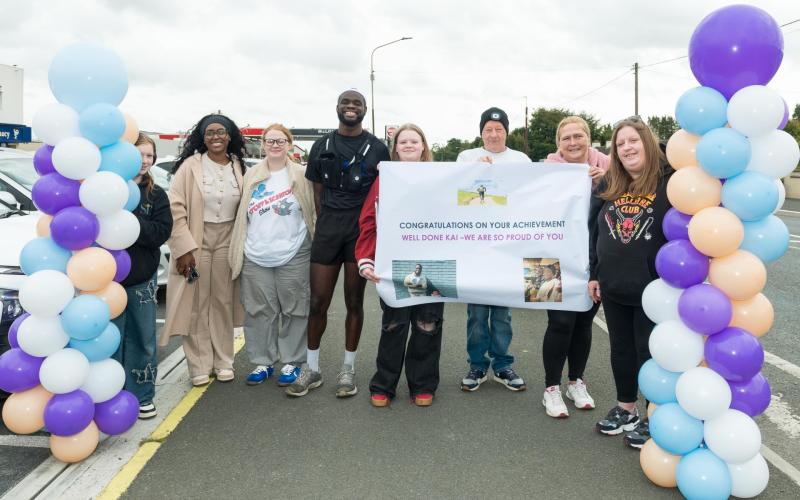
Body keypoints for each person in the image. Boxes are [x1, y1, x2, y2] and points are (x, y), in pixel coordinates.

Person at [287, 90, 390, 397]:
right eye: (345, 103)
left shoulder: (378, 148)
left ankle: (348, 368)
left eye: (356, 104)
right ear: (337, 108)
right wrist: (325, 224)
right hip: (330, 227)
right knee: (318, 302)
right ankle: (312, 368)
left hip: (361, 230)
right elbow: (317, 192)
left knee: (354, 302)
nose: (350, 107)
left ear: (364, 110)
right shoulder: (322, 145)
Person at [588, 117, 673, 449]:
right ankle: (626, 408)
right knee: (620, 349)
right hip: (614, 284)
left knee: (650, 353)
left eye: (633, 140)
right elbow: (595, 231)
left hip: (654, 288)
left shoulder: (671, 180)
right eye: (620, 144)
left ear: (648, 143)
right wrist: (595, 273)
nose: (626, 148)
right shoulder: (611, 182)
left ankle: (656, 415)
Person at [355, 123, 444, 407]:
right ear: (395, 149)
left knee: (427, 325)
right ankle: (383, 384)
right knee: (394, 325)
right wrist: (366, 258)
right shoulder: (385, 179)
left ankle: (423, 384)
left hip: (433, 262)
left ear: (423, 147)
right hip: (395, 264)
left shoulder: (441, 177)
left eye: (413, 141)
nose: (408, 145)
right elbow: (369, 220)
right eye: (402, 142)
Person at [161, 113, 245, 387]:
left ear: (230, 135)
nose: (216, 137)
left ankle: (223, 361)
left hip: (227, 240)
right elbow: (176, 208)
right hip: (196, 239)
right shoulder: (190, 166)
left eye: (221, 132)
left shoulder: (238, 166)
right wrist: (184, 248)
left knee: (222, 301)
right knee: (196, 303)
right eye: (210, 133)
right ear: (202, 137)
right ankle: (199, 365)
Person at [229, 124, 316, 387]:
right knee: (258, 310)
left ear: (289, 144)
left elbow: (312, 209)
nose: (275, 145)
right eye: (270, 140)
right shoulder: (251, 175)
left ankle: (292, 360)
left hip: (294, 251)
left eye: (280, 141)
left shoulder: (302, 175)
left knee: (295, 308)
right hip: (256, 252)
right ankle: (263, 361)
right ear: (263, 144)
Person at [457, 107, 531, 392]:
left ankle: (502, 364)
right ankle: (477, 364)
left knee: (502, 311)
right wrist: (477, 171)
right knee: (476, 311)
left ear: (507, 132)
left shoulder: (521, 159)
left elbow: (529, 195)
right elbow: (458, 195)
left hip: (508, 245)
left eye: (499, 129)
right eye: (488, 129)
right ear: (481, 132)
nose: (493, 133)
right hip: (476, 245)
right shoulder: (467, 157)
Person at [540, 116, 609, 418]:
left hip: (594, 257)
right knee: (559, 323)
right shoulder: (545, 170)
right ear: (558, 144)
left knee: (583, 321)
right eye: (566, 138)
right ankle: (551, 388)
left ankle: (575, 381)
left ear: (588, 139)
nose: (573, 143)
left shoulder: (609, 168)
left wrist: (604, 182)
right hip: (548, 259)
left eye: (578, 136)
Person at [112, 133, 172, 419]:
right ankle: (109, 394)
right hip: (105, 281)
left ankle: (142, 395)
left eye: (150, 156)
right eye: (139, 155)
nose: (145, 161)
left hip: (141, 279)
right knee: (110, 338)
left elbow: (161, 233)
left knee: (142, 338)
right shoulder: (108, 191)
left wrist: (131, 224)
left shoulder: (156, 195)